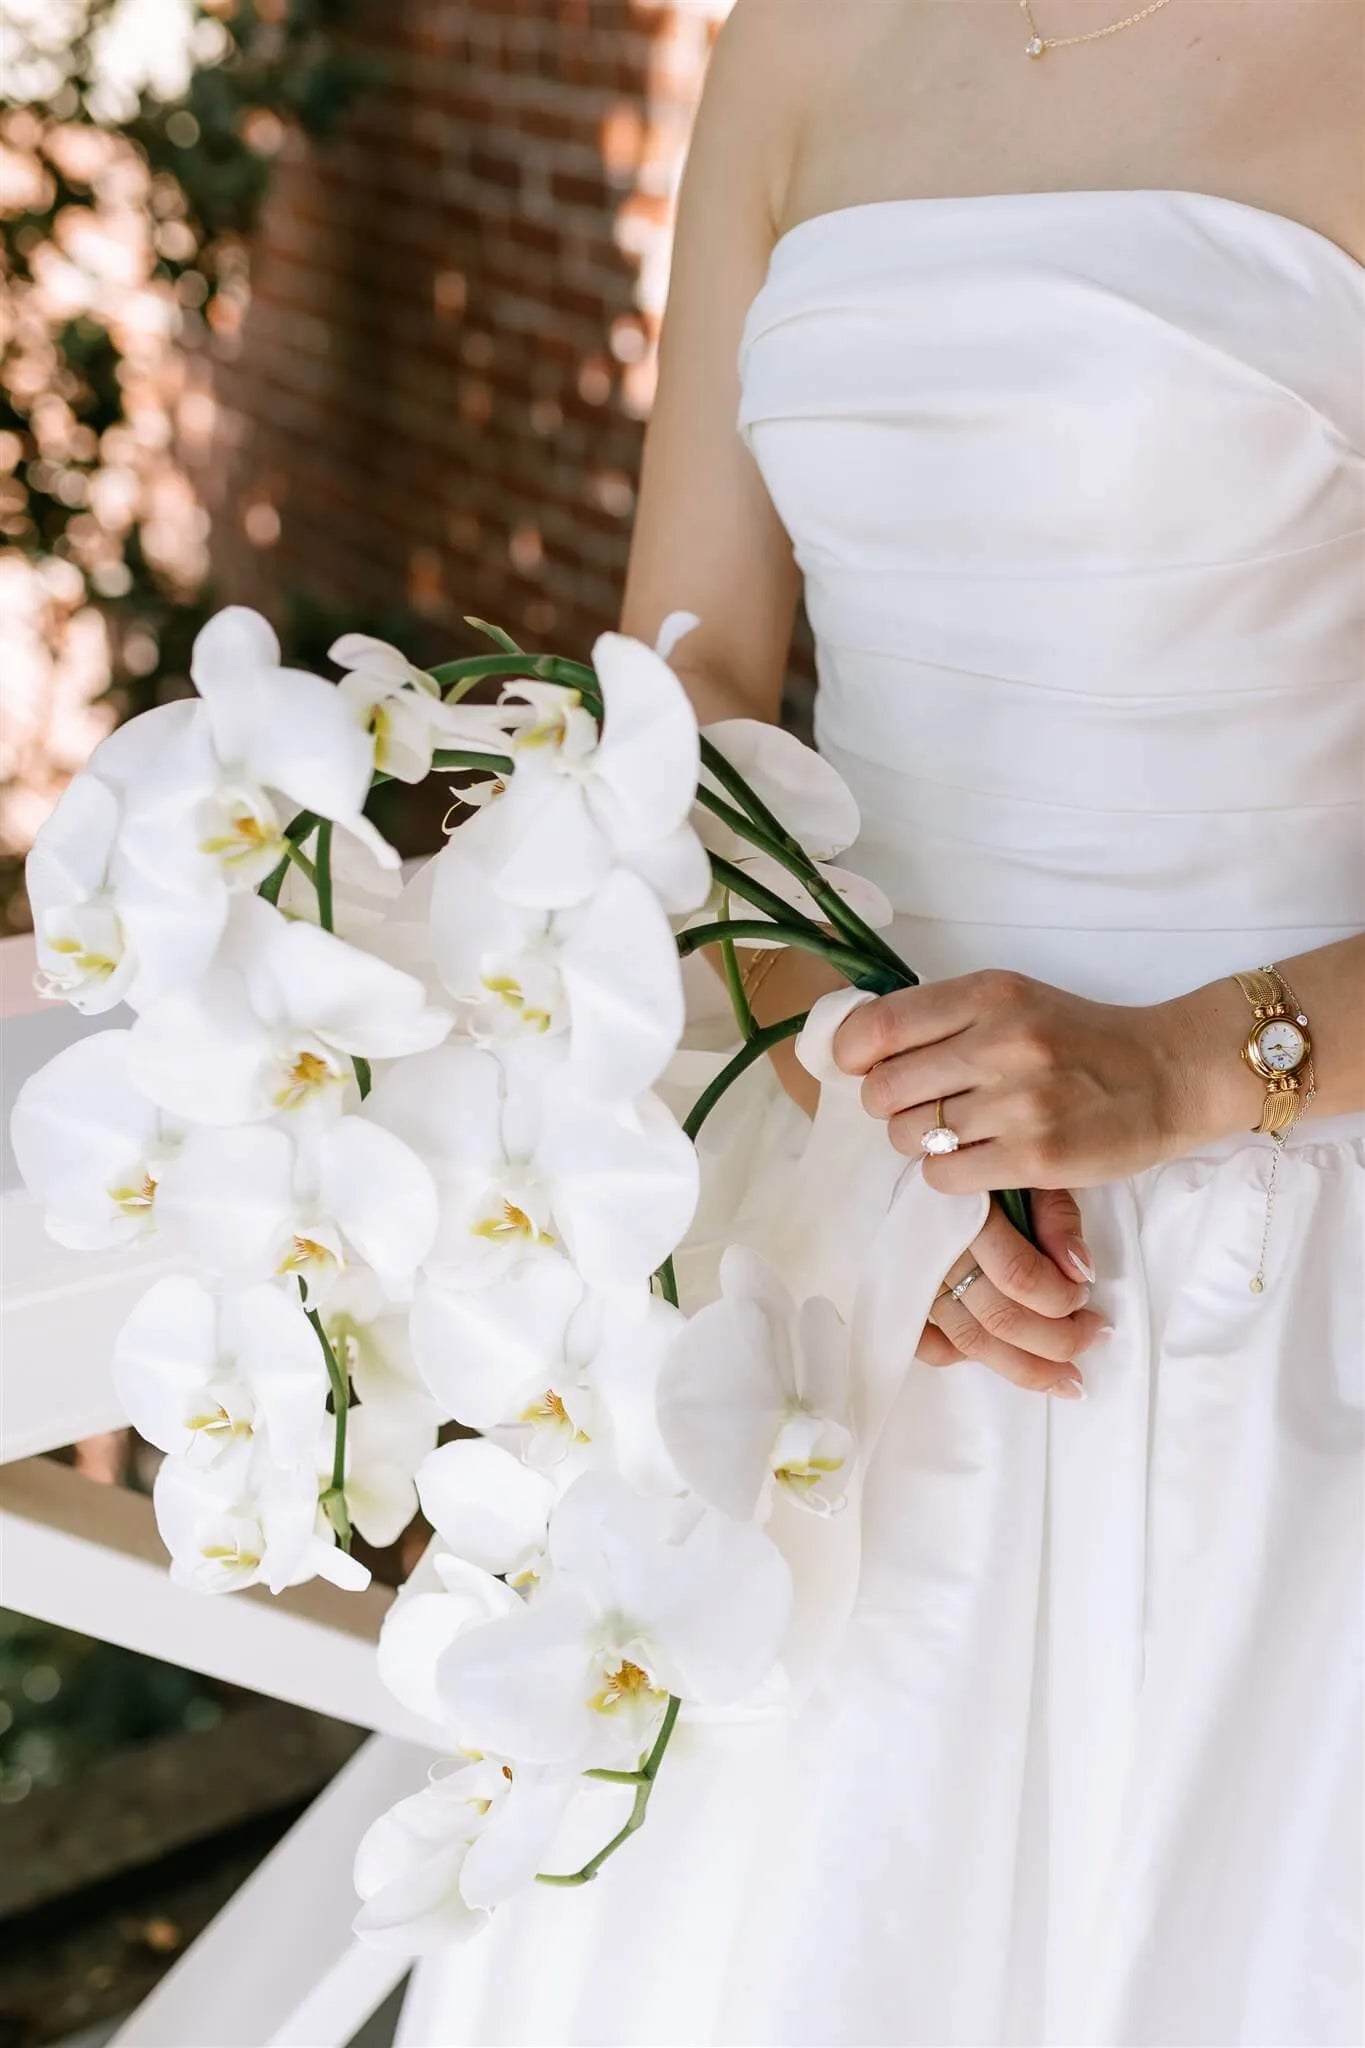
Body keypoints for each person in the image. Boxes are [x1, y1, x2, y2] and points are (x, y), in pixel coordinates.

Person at [401, 3, 1364, 2040]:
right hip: (865, 1250)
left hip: (1274, 1227)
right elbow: (699, 684)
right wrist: (835, 1086)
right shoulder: (794, 48)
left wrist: (1195, 1058)